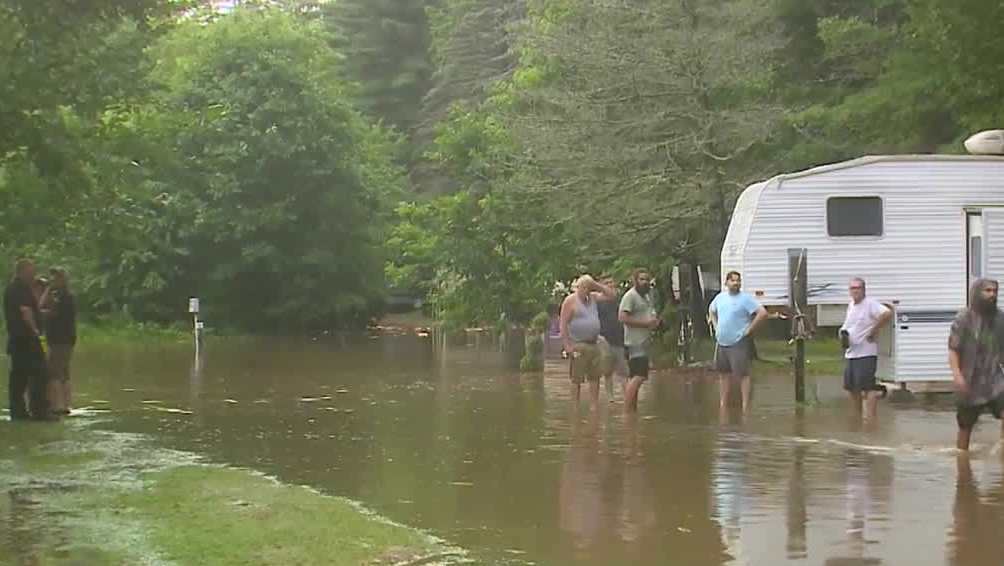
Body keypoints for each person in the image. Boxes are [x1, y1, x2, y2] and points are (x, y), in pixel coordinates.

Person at [948, 278, 1004, 451]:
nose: (992, 295)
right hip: (969, 379)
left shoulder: (1000, 318)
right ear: (977, 293)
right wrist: (957, 375)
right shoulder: (964, 318)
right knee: (966, 426)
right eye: (987, 291)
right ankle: (962, 462)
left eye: (994, 291)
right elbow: (953, 349)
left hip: (994, 378)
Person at [709, 271, 767, 414]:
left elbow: (762, 313)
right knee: (723, 374)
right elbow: (711, 310)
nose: (736, 283)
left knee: (743, 375)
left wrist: (749, 329)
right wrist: (715, 326)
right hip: (721, 341)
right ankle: (723, 405)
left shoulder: (745, 299)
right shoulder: (720, 297)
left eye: (738, 281)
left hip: (738, 342)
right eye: (733, 280)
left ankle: (745, 406)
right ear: (726, 282)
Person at [839, 277, 892, 420]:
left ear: (864, 290)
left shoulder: (870, 304)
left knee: (868, 387)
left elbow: (887, 313)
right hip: (851, 353)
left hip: (866, 353)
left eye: (858, 288)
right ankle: (856, 418)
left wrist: (874, 331)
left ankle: (871, 419)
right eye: (852, 288)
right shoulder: (851, 305)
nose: (855, 291)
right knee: (852, 388)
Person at [559, 275, 616, 408]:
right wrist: (567, 346)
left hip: (593, 343)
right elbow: (563, 324)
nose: (586, 290)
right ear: (578, 287)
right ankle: (575, 407)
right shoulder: (570, 301)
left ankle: (594, 407)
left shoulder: (593, 298)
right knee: (576, 379)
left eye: (588, 288)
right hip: (578, 345)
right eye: (584, 287)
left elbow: (612, 296)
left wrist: (596, 285)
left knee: (595, 377)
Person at [4, 258, 49, 421]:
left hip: (18, 339)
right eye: (31, 271)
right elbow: (25, 311)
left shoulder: (15, 288)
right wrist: (35, 331)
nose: (34, 275)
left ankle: (19, 412)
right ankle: (39, 411)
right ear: (23, 271)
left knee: (19, 376)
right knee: (39, 373)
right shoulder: (19, 288)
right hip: (26, 338)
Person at [619, 268, 660, 412]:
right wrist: (645, 323)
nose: (645, 282)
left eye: (647, 279)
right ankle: (626, 411)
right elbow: (623, 317)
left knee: (635, 377)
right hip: (634, 342)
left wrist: (654, 322)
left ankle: (632, 412)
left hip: (645, 342)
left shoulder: (647, 297)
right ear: (635, 280)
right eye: (641, 279)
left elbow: (648, 315)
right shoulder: (630, 296)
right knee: (639, 376)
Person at [42, 267, 76, 416]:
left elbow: (43, 307)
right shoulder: (66, 295)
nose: (52, 281)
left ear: (61, 279)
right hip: (66, 339)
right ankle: (66, 404)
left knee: (54, 372)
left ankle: (57, 406)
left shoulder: (62, 297)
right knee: (64, 372)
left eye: (54, 278)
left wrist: (47, 289)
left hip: (59, 339)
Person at [597, 275, 628, 402]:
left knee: (624, 371)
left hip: (619, 340)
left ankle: (627, 396)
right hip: (604, 340)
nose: (610, 285)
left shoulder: (620, 300)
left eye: (611, 282)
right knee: (607, 371)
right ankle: (610, 398)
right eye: (606, 283)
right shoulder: (598, 303)